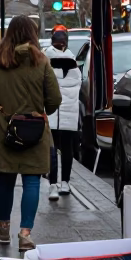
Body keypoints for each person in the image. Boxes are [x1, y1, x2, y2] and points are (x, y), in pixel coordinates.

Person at [0, 15, 61, 252]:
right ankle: (25, 234)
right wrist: (42, 112)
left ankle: (4, 225)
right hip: (35, 130)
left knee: (6, 178)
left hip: (5, 131)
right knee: (32, 181)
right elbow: (54, 99)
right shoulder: (41, 61)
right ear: (33, 34)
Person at [45, 27, 81, 200]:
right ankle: (65, 182)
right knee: (67, 148)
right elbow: (78, 84)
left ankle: (53, 184)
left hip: (51, 112)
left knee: (52, 149)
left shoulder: (45, 59)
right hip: (69, 113)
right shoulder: (73, 60)